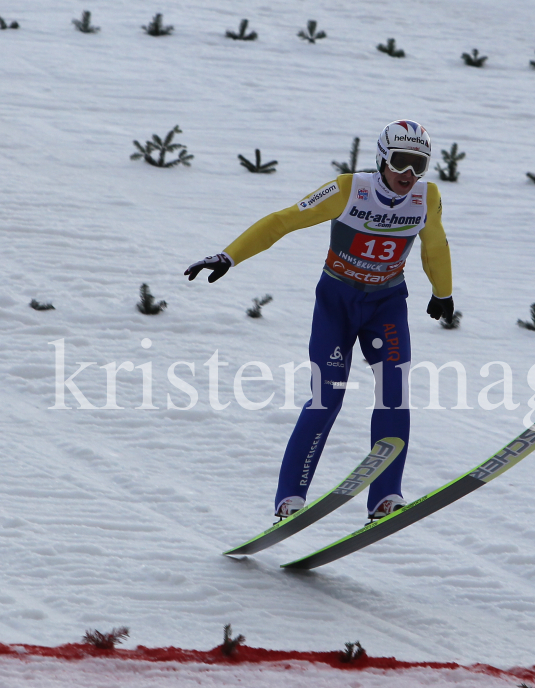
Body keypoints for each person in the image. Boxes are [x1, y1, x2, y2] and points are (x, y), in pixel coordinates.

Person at [185, 120, 454, 523]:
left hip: (386, 304)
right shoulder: (350, 189)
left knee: (394, 393)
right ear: (382, 158)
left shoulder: (426, 196)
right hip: (337, 302)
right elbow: (283, 221)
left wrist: (443, 292)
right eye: (401, 162)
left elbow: (434, 243)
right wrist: (229, 255)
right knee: (328, 396)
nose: (408, 175)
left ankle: (385, 498)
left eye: (419, 165)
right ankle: (289, 499)